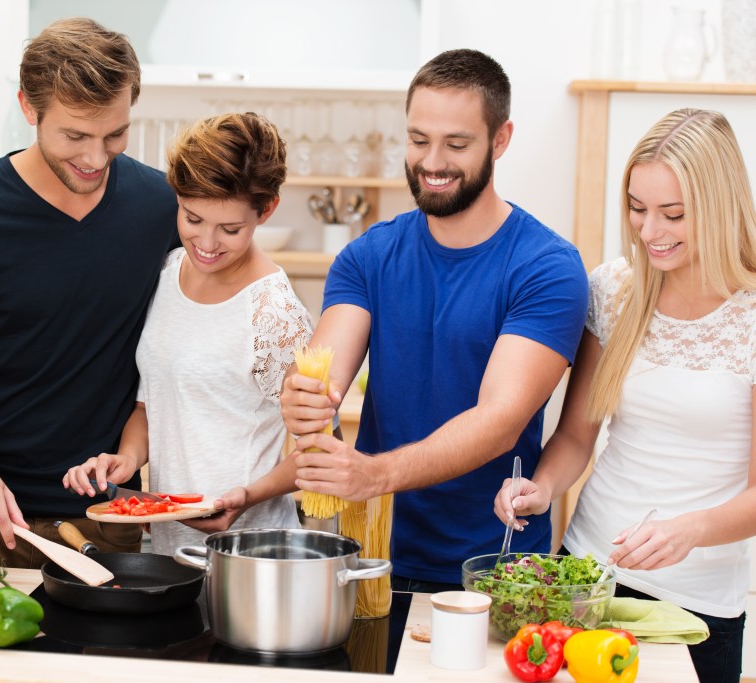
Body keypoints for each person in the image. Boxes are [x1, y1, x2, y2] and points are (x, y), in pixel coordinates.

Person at [280, 49, 589, 591]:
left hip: (494, 572)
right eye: (419, 140)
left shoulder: (547, 269)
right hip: (375, 561)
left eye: (456, 144)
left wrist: (376, 474)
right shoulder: (367, 257)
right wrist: (302, 396)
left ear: (501, 139)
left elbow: (499, 421)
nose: (432, 161)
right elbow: (324, 373)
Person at [0, 17, 178, 567]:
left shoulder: (159, 207)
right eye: (75, 136)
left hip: (109, 519)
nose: (96, 158)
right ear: (28, 107)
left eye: (114, 135)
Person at [494, 108, 756, 683]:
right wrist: (541, 486)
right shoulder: (613, 289)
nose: (650, 231)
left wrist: (691, 529)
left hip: (697, 606)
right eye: (637, 209)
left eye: (674, 214)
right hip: (588, 577)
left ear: (720, 205)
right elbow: (576, 434)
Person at [64, 112, 313, 555]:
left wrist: (249, 496)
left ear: (267, 209)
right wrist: (127, 459)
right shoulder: (167, 272)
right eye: (193, 218)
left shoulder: (275, 313)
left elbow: (319, 449)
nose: (208, 243)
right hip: (168, 548)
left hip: (249, 554)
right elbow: (150, 402)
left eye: (230, 229)